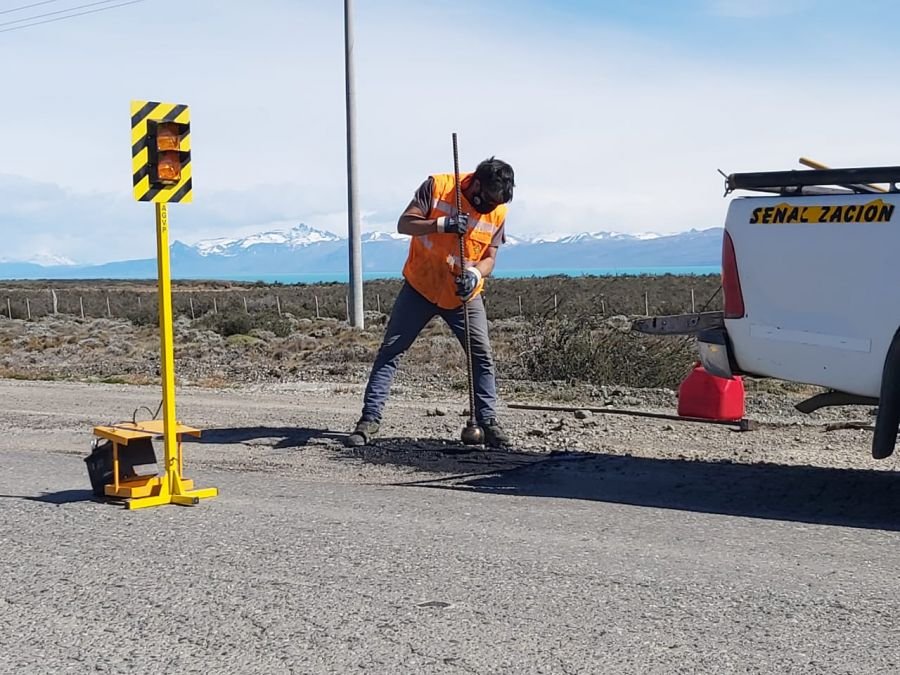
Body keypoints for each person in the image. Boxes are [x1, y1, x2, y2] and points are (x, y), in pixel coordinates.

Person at [346, 157, 516, 449]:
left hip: (462, 294)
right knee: (391, 351)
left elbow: (490, 258)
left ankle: (487, 422)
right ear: (476, 184)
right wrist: (442, 224)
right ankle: (369, 420)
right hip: (420, 287)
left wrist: (475, 274)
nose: (489, 208)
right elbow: (404, 224)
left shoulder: (497, 211)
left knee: (482, 356)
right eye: (486, 201)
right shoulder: (438, 186)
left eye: (496, 203)